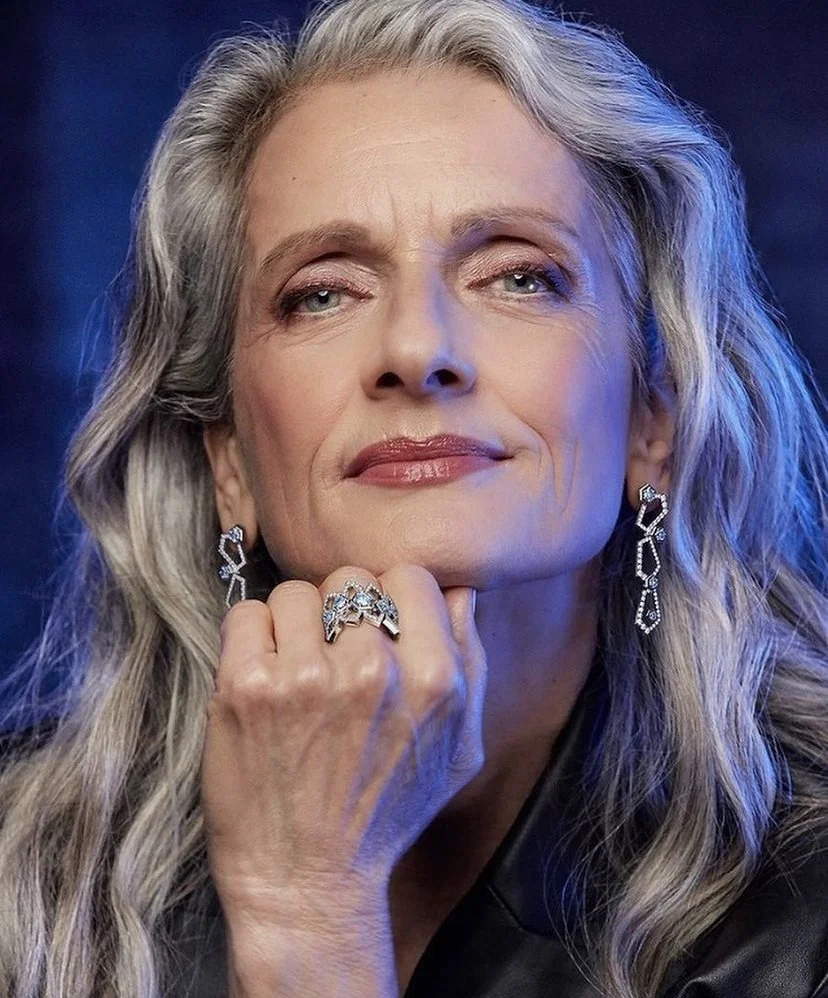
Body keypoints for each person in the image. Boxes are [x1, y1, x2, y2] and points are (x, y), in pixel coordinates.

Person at [1, 0, 827, 995]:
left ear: (651, 423)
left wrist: (309, 915)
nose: (417, 348)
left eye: (517, 277)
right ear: (230, 462)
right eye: (323, 292)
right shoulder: (18, 871)